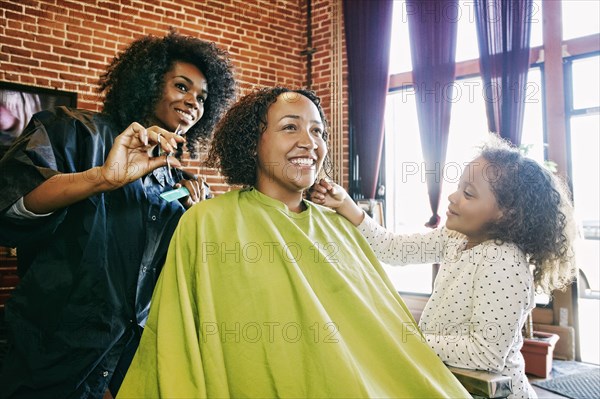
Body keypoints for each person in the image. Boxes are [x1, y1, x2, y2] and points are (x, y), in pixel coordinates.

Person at [117, 87, 469, 398]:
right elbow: (176, 341)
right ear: (254, 142)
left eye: (318, 131)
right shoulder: (207, 223)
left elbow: (386, 334)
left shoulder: (341, 228)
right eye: (290, 127)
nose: (310, 142)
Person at [0, 31, 236, 399]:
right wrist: (101, 178)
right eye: (181, 86)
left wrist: (196, 222)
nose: (192, 102)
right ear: (147, 82)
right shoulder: (75, 131)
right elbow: (11, 208)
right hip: (46, 357)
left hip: (125, 366)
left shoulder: (178, 181)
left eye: (202, 98)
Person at [310, 136, 577, 398]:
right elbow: (393, 248)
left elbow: (486, 354)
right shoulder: (455, 238)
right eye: (459, 187)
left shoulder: (503, 262)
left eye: (468, 194)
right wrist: (347, 205)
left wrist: (407, 338)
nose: (453, 197)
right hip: (451, 384)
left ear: (505, 213)